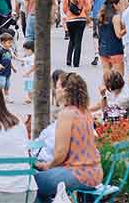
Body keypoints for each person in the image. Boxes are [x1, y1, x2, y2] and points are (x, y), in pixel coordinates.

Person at [33, 73, 102, 202]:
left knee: (32, 184)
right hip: (95, 172)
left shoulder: (66, 114)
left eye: (58, 87)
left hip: (77, 174)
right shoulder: (85, 111)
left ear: (66, 91)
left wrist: (46, 166)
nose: (55, 90)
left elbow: (60, 154)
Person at [88, 0, 124, 67]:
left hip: (98, 15)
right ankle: (111, 55)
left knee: (97, 35)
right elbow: (122, 2)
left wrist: (89, 14)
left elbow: (90, 2)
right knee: (113, 35)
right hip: (113, 15)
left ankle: (98, 53)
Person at [61, 0, 91, 68]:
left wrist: (69, 13)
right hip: (81, 19)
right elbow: (88, 7)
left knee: (72, 40)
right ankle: (76, 62)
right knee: (78, 41)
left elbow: (64, 8)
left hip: (70, 20)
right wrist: (83, 12)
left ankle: (68, 59)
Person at [96, 0, 125, 76]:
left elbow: (99, 33)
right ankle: (112, 89)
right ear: (115, 5)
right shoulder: (115, 17)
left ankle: (103, 87)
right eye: (120, 4)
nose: (121, 6)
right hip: (115, 49)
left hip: (103, 48)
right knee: (119, 75)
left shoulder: (101, 16)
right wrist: (127, 29)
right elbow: (118, 34)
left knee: (107, 75)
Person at [0, 33, 16, 101]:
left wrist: (13, 68)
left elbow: (9, 61)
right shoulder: (0, 51)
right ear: (3, 42)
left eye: (11, 42)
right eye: (9, 43)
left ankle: (6, 97)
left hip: (8, 72)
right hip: (1, 72)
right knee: (1, 85)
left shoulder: (9, 50)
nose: (11, 44)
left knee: (7, 85)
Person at [19, 40, 36, 105]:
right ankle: (30, 98)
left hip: (31, 76)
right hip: (28, 76)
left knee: (29, 88)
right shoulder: (28, 56)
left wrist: (27, 73)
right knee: (29, 87)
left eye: (25, 50)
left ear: (30, 50)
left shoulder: (32, 57)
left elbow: (33, 67)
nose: (25, 52)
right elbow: (24, 60)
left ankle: (29, 99)